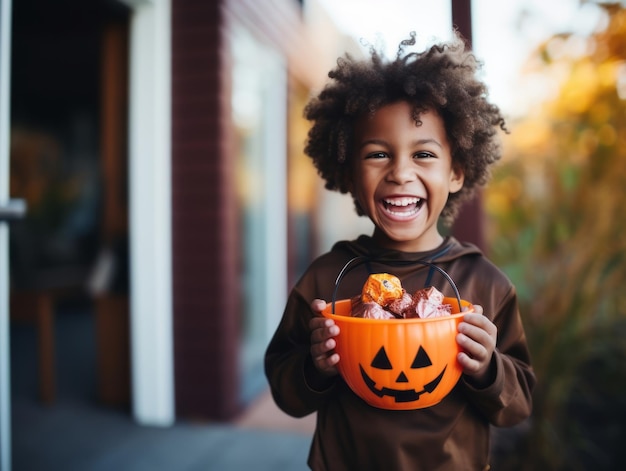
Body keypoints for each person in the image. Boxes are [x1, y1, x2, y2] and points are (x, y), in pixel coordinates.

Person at [264, 31, 535, 471]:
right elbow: (286, 393)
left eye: (424, 154)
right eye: (377, 155)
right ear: (349, 174)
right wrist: (314, 366)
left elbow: (517, 405)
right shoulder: (324, 281)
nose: (400, 173)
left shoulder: (484, 285)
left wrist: (489, 368)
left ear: (457, 172)